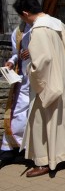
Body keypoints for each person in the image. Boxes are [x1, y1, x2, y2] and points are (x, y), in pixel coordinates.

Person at [13, 0, 65, 177]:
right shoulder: (58, 24)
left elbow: (43, 62)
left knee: (42, 121)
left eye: (21, 16)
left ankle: (43, 162)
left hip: (49, 83)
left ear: (25, 13)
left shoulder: (39, 30)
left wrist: (29, 73)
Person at [0, 22, 31, 167]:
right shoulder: (19, 31)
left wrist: (33, 51)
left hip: (39, 79)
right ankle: (9, 150)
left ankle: (28, 150)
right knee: (16, 113)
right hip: (22, 80)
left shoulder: (43, 28)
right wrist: (11, 62)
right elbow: (15, 54)